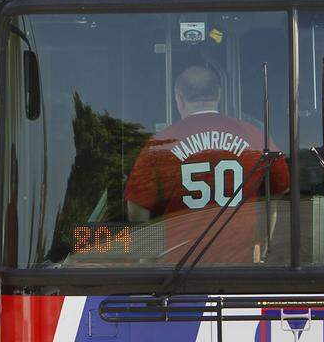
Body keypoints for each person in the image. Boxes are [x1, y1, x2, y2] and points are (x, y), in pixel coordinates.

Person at [124, 65, 290, 263]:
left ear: (179, 98)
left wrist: (148, 256)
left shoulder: (160, 145)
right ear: (219, 95)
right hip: (240, 265)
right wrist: (263, 243)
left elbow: (137, 208)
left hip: (177, 269)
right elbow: (278, 191)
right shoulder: (255, 137)